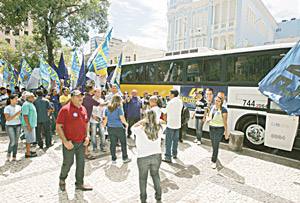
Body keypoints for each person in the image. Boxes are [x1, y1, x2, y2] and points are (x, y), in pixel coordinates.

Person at [56, 90, 92, 191]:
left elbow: (86, 123)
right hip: (70, 143)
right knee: (68, 162)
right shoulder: (65, 110)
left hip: (81, 142)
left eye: (81, 96)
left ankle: (79, 183)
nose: (81, 98)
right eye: (78, 96)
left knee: (81, 163)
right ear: (72, 97)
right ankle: (62, 179)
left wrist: (87, 136)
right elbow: (58, 127)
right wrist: (65, 142)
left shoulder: (83, 108)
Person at [131, 110, 163, 203]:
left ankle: (143, 199)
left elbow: (132, 127)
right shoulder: (160, 128)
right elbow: (163, 123)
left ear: (145, 117)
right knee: (155, 176)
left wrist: (141, 121)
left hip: (143, 157)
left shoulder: (140, 129)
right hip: (157, 155)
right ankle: (158, 197)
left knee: (142, 179)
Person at [102, 95, 131, 164]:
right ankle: (125, 158)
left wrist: (103, 126)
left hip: (110, 128)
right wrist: (126, 124)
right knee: (123, 143)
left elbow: (105, 120)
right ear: (119, 101)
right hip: (119, 128)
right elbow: (122, 119)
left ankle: (113, 159)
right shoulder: (119, 109)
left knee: (113, 144)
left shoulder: (107, 109)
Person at [208, 96, 229, 169]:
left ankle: (213, 161)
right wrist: (208, 119)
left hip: (219, 129)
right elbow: (210, 116)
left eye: (218, 101)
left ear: (221, 102)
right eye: (215, 101)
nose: (216, 102)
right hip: (211, 127)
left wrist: (226, 132)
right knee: (213, 143)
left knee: (216, 144)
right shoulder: (212, 107)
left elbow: (225, 122)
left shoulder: (224, 110)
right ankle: (215, 154)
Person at [163, 89, 183, 163]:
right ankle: (174, 154)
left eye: (169, 93)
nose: (168, 95)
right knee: (175, 141)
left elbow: (165, 111)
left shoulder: (170, 102)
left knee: (168, 141)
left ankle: (167, 157)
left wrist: (160, 108)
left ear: (172, 94)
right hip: (177, 124)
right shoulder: (180, 101)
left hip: (170, 124)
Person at [4, 94, 22, 161]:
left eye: (17, 98)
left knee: (16, 141)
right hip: (10, 125)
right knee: (13, 141)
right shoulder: (7, 108)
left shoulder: (19, 107)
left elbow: (21, 117)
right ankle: (9, 153)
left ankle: (14, 156)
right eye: (16, 99)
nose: (17, 100)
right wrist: (16, 114)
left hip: (18, 125)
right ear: (11, 100)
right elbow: (8, 119)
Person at [21, 92, 38, 158]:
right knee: (28, 139)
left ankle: (29, 150)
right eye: (32, 96)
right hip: (28, 125)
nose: (34, 97)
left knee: (31, 139)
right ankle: (28, 153)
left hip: (31, 124)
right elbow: (25, 115)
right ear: (28, 98)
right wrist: (28, 125)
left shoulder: (30, 103)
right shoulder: (26, 104)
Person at [90, 88, 106, 152]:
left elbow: (104, 109)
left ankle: (102, 147)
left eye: (100, 92)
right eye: (98, 92)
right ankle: (94, 147)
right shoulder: (91, 100)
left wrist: (104, 116)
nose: (99, 93)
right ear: (94, 92)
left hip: (100, 120)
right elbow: (88, 109)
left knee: (102, 133)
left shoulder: (102, 100)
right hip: (93, 120)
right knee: (93, 134)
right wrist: (92, 115)